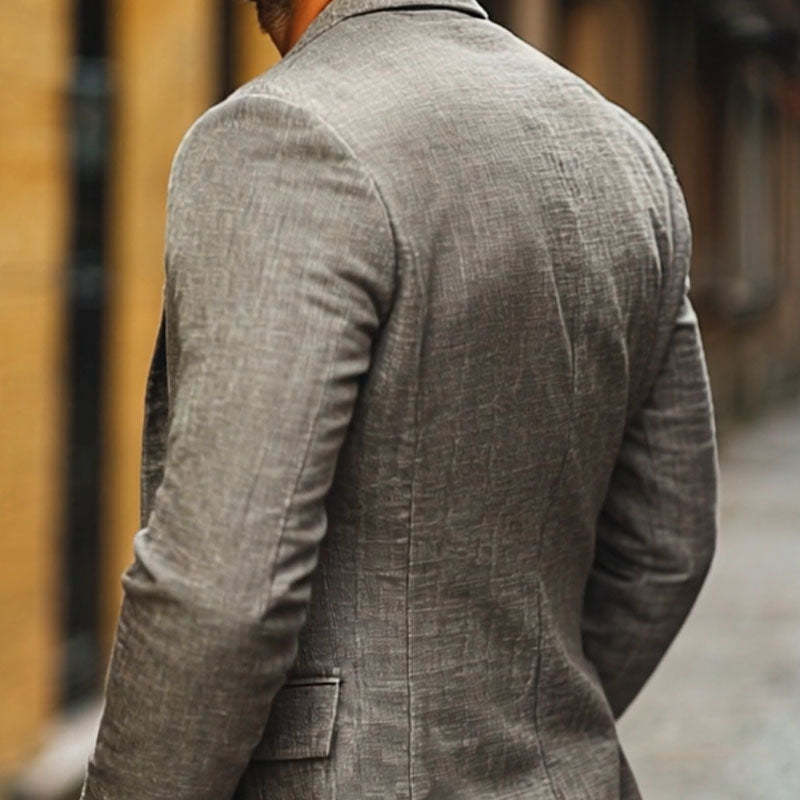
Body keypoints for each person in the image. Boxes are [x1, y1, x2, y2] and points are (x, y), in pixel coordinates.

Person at [80, 1, 719, 798]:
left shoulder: (286, 134)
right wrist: (520, 728)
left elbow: (219, 591)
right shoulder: (621, 151)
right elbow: (667, 544)